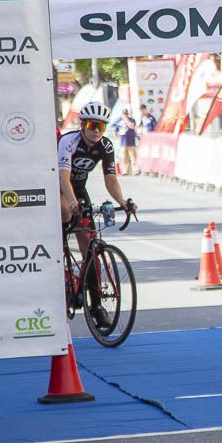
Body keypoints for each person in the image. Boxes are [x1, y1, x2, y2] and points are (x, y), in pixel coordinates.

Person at [58, 102, 139, 328]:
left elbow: (110, 179)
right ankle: (61, 260)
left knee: (91, 248)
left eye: (101, 127)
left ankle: (96, 306)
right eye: (92, 125)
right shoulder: (68, 141)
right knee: (65, 211)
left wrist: (122, 202)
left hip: (79, 188)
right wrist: (73, 203)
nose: (96, 131)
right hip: (59, 186)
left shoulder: (105, 145)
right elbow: (63, 177)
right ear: (83, 125)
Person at [117, 108, 138, 175]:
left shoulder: (132, 120)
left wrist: (126, 120)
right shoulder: (119, 121)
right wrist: (118, 139)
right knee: (124, 157)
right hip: (123, 142)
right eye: (124, 114)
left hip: (131, 141)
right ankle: (126, 171)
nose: (125, 115)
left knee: (133, 156)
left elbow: (132, 127)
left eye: (126, 114)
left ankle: (135, 170)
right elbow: (116, 130)